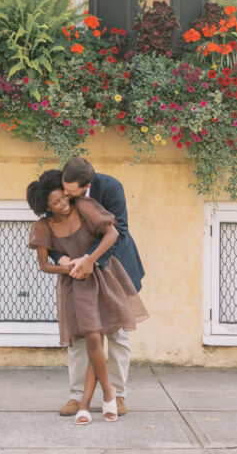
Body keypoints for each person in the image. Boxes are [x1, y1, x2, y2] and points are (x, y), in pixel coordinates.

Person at [26, 169, 147, 425]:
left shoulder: (109, 188)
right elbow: (52, 230)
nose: (66, 200)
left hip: (115, 268)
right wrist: (62, 259)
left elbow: (118, 232)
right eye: (61, 195)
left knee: (117, 334)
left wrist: (89, 260)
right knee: (80, 336)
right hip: (78, 277)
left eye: (69, 194)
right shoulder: (57, 188)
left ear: (85, 186)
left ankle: (118, 394)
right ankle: (77, 395)